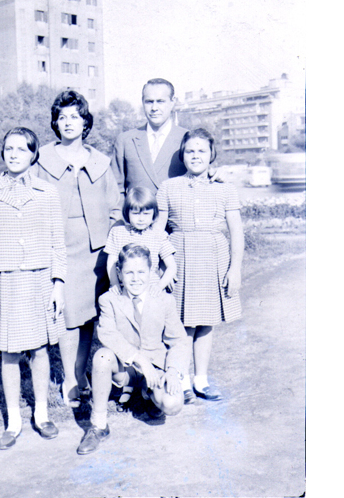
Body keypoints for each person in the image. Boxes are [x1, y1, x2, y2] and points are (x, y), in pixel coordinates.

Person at [0, 90, 121, 408]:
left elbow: (115, 206)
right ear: (55, 122)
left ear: (85, 121)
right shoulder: (41, 158)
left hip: (96, 253)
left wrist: (110, 240)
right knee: (68, 317)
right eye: (63, 116)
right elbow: (15, 178)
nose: (69, 122)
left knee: (89, 317)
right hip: (58, 249)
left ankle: (81, 373)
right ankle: (70, 380)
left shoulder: (100, 161)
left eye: (76, 116)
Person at [0, 127, 67, 450]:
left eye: (21, 149)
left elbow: (58, 242)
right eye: (8, 149)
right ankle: (13, 421)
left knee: (40, 350)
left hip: (39, 279)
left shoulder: (47, 191)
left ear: (33, 155)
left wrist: (58, 284)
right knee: (10, 353)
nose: (13, 154)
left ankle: (41, 414)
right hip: (5, 281)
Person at [156, 128, 244, 402]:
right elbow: (158, 229)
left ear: (212, 155)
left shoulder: (225, 188)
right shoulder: (169, 186)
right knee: (181, 323)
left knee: (206, 322)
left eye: (202, 151)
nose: (195, 155)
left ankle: (201, 380)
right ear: (183, 155)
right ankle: (179, 379)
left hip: (214, 259)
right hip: (179, 258)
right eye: (190, 151)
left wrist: (235, 268)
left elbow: (236, 231)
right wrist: (162, 266)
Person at [77, 244, 189, 455]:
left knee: (173, 404)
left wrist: (173, 371)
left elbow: (179, 341)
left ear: (152, 273)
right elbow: (107, 334)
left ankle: (149, 395)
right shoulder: (108, 300)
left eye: (141, 272)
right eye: (129, 272)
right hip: (126, 368)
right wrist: (140, 360)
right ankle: (98, 425)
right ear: (119, 273)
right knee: (102, 356)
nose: (135, 278)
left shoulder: (164, 300)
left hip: (156, 367)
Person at [104, 186, 177, 407]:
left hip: (150, 295)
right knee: (127, 336)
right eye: (135, 212)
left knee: (149, 336)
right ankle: (129, 382)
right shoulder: (118, 233)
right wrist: (116, 286)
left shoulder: (158, 235)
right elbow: (110, 263)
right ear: (127, 214)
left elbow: (172, 266)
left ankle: (152, 379)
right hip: (127, 293)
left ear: (154, 214)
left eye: (146, 213)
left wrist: (160, 286)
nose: (141, 218)